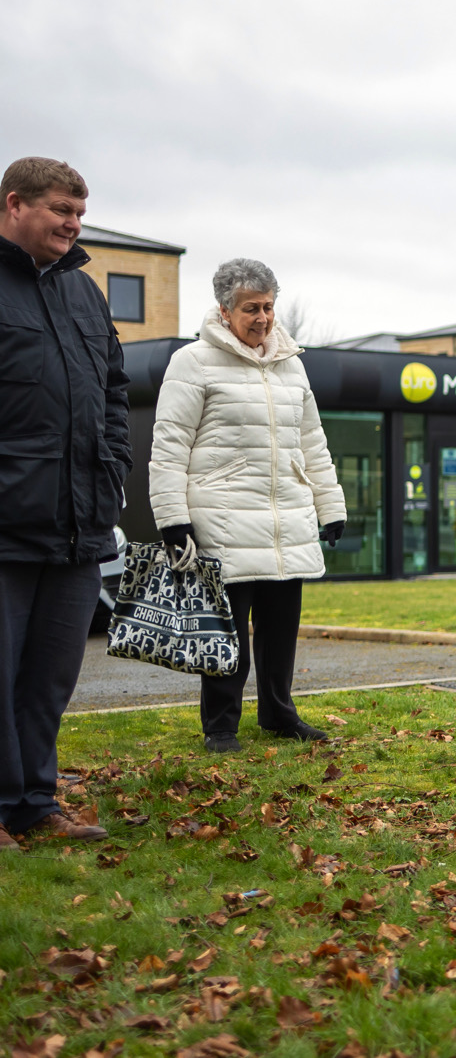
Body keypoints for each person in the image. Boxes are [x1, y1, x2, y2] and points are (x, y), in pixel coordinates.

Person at [148, 259, 347, 754]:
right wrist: (173, 519)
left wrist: (331, 505)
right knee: (225, 632)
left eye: (268, 307)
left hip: (286, 519)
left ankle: (279, 713)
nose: (262, 318)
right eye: (250, 308)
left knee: (281, 629)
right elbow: (170, 444)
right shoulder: (192, 362)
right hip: (224, 519)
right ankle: (221, 726)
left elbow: (313, 443)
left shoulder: (292, 364)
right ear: (224, 309)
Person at [0, 157, 126, 848]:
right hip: (7, 523)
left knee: (49, 677)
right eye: (61, 212)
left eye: (79, 213)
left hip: (79, 523)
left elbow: (111, 387)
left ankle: (33, 804)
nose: (74, 225)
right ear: (15, 204)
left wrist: (113, 470)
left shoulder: (84, 293)